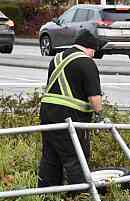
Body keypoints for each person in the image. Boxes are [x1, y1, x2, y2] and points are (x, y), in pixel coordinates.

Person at [38, 29, 103, 187]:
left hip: (47, 114)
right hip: (70, 117)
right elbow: (95, 98)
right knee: (76, 157)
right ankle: (82, 199)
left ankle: (46, 195)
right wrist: (100, 115)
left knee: (50, 157)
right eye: (94, 51)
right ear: (90, 48)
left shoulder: (56, 59)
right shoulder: (86, 62)